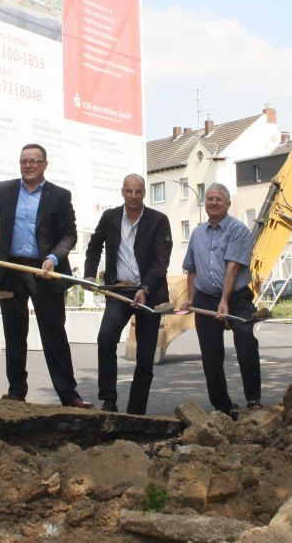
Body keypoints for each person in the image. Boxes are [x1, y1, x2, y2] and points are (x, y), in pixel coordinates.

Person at [0, 143, 92, 408]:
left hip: (44, 272)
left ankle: (68, 394)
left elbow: (69, 234)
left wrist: (53, 258)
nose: (29, 165)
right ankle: (16, 391)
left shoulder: (59, 195)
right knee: (14, 333)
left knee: (54, 333)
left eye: (35, 161)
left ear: (45, 164)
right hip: (11, 270)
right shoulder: (4, 190)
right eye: (24, 161)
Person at [83, 174, 172, 413]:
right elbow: (94, 246)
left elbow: (161, 261)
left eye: (138, 191)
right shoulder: (110, 217)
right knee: (106, 338)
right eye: (129, 191)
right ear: (122, 192)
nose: (133, 196)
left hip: (149, 294)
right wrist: (89, 274)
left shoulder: (159, 220)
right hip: (119, 290)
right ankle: (108, 400)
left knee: (145, 353)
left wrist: (145, 288)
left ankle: (136, 409)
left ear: (145, 193)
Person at [181, 183, 261, 416]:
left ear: (227, 203)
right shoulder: (197, 233)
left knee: (245, 337)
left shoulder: (238, 230)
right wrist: (190, 299)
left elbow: (233, 268)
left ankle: (253, 398)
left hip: (236, 296)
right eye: (209, 199)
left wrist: (224, 301)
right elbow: (191, 269)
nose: (213, 203)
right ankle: (221, 406)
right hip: (205, 298)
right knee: (210, 351)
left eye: (218, 199)